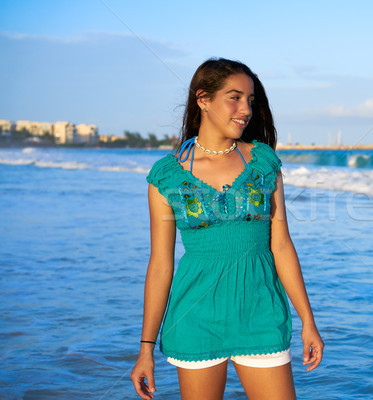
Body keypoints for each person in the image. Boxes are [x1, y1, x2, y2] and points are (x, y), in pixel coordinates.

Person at [130, 58, 324, 400]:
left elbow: (281, 247)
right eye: (235, 97)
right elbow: (161, 264)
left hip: (262, 313)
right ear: (203, 99)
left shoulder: (264, 163)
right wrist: (145, 348)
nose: (245, 109)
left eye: (250, 100)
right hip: (195, 318)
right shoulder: (167, 177)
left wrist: (308, 321)